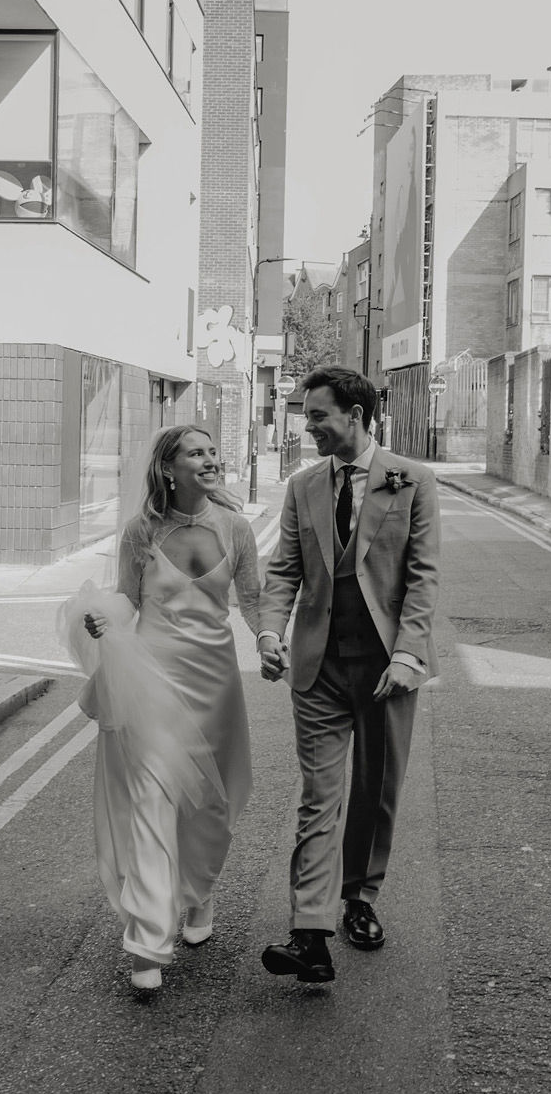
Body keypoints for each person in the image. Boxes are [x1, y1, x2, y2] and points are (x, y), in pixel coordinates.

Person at [257, 365, 440, 984]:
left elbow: (422, 577)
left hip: (389, 666)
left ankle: (358, 899)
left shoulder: (411, 481)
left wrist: (410, 653)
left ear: (355, 417)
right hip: (319, 666)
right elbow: (283, 570)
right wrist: (268, 632)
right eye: (306, 416)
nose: (307, 428)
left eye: (316, 417)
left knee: (375, 791)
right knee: (319, 798)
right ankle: (310, 933)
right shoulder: (303, 485)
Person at [66, 426, 260, 994]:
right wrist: (105, 616)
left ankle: (197, 900)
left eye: (212, 451)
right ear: (168, 469)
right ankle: (148, 941)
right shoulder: (141, 531)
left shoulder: (236, 527)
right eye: (195, 452)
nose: (210, 459)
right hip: (155, 679)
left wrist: (270, 641)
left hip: (217, 682)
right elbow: (128, 595)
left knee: (210, 804)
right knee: (152, 798)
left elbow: (252, 597)